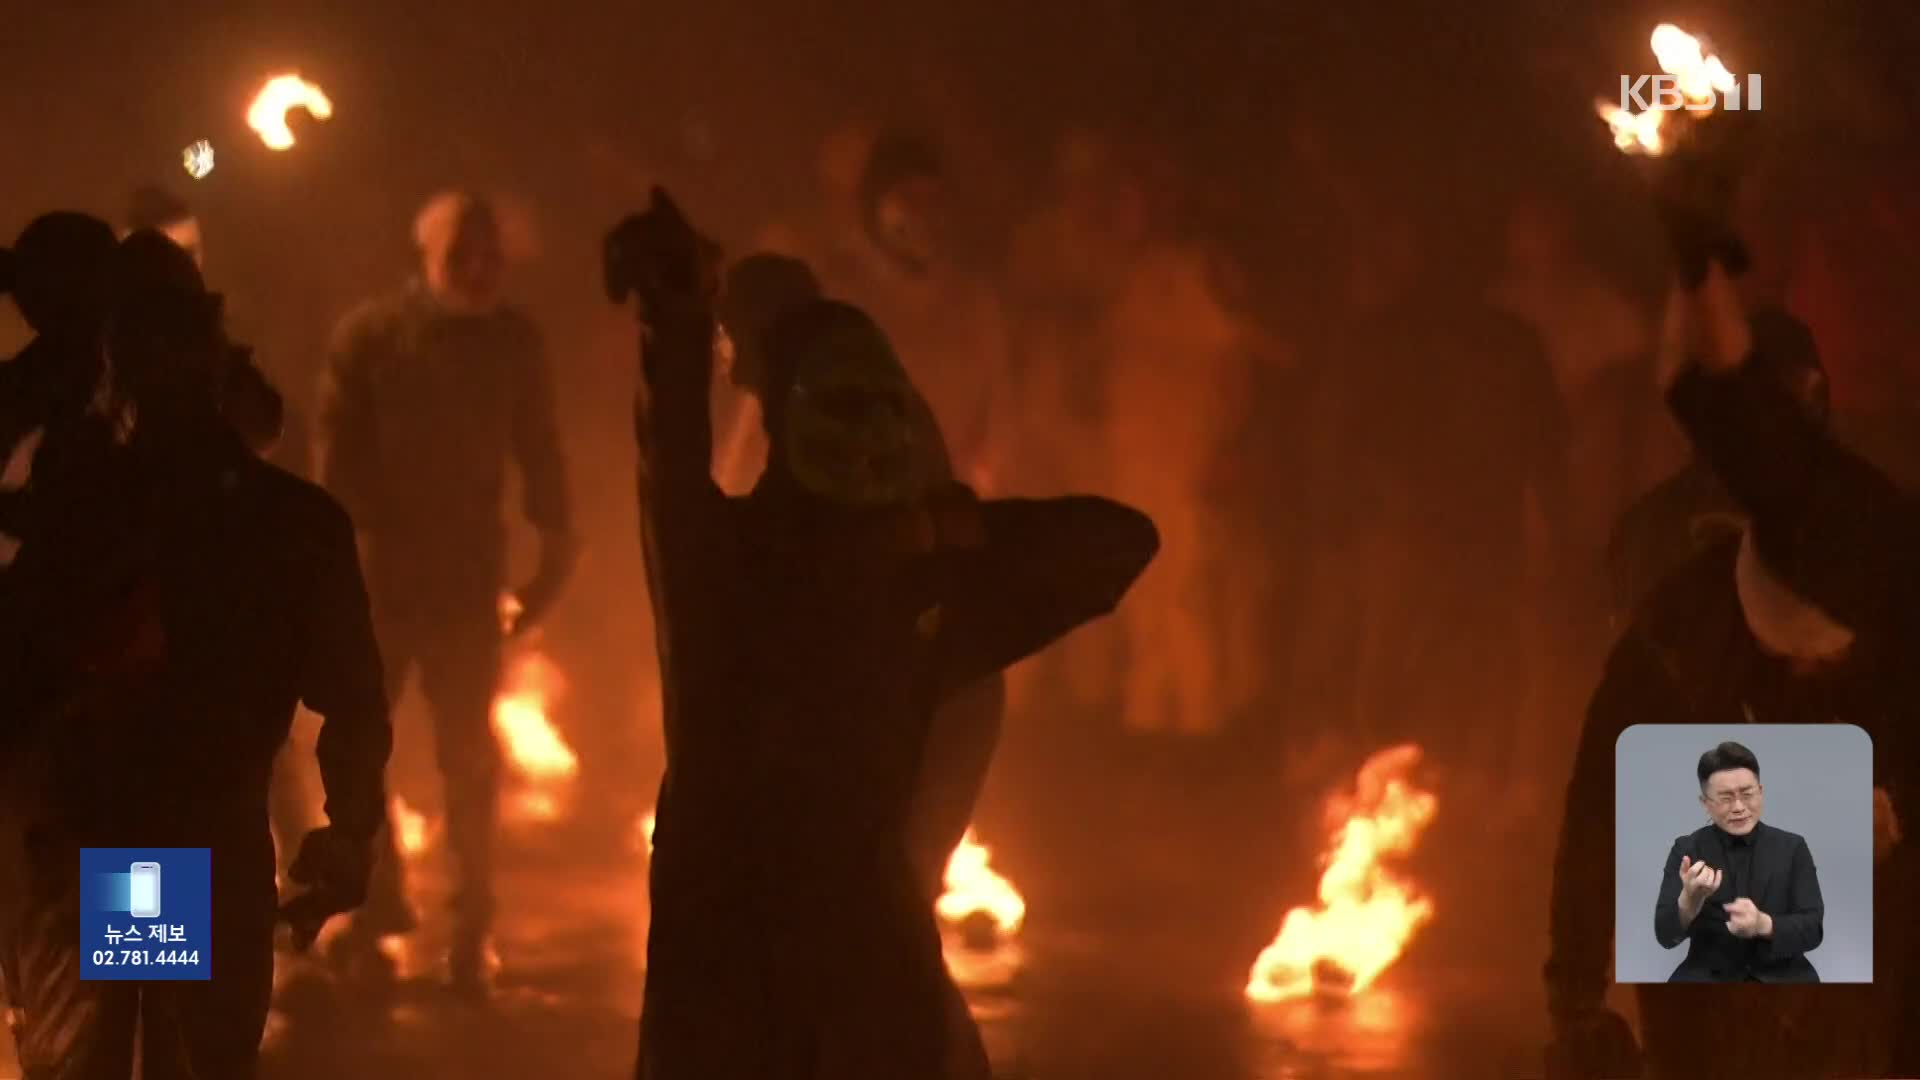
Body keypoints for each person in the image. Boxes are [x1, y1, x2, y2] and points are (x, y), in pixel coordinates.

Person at [612, 190, 1158, 1079]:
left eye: (875, 413)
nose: (864, 437)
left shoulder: (749, 560)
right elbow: (1115, 543)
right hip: (788, 941)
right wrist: (946, 529)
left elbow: (1119, 544)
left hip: (780, 937)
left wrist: (671, 316)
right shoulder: (834, 568)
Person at [1545, 138, 1920, 1078]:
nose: (1805, 675)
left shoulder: (1894, 592)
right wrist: (1574, 995)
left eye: (1822, 659)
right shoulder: (1676, 632)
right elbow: (1600, 806)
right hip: (1706, 965)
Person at [0, 229, 390, 1078]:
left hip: (117, 844)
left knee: (112, 1056)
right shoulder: (286, 521)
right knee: (180, 1057)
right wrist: (348, 832)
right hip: (191, 842)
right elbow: (353, 694)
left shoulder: (75, 515)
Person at [317, 189, 576, 990]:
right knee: (359, 746)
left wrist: (555, 553)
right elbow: (338, 461)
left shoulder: (511, 342)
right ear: (427, 260)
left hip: (466, 576)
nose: (478, 270)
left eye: (490, 256)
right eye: (462, 256)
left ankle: (472, 929)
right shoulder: (370, 338)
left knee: (467, 757)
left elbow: (540, 450)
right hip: (384, 577)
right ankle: (374, 903)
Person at [122, 183, 286, 458]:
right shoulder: (105, 349)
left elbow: (263, 428)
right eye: (173, 252)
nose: (187, 264)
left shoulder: (229, 334)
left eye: (191, 251)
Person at [1653, 741, 1824, 983]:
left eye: (1747, 794)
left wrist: (1763, 924)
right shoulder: (1687, 849)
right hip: (1709, 975)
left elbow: (1813, 930)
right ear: (1705, 803)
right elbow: (1664, 936)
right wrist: (1689, 901)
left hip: (1783, 974)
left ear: (1761, 791)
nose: (1739, 807)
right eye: (1725, 798)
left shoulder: (1793, 847)